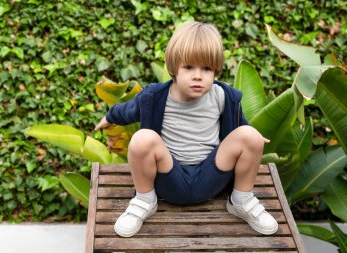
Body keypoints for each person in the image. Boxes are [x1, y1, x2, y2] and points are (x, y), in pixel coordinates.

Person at [95, 21, 278, 237]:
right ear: (173, 68)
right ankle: (145, 200)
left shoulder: (222, 96)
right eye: (189, 67)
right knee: (142, 138)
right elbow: (130, 109)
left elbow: (239, 121)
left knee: (250, 135)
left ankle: (241, 199)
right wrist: (110, 116)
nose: (198, 76)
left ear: (216, 70)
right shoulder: (155, 97)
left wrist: (252, 135)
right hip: (169, 177)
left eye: (207, 68)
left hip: (211, 175)